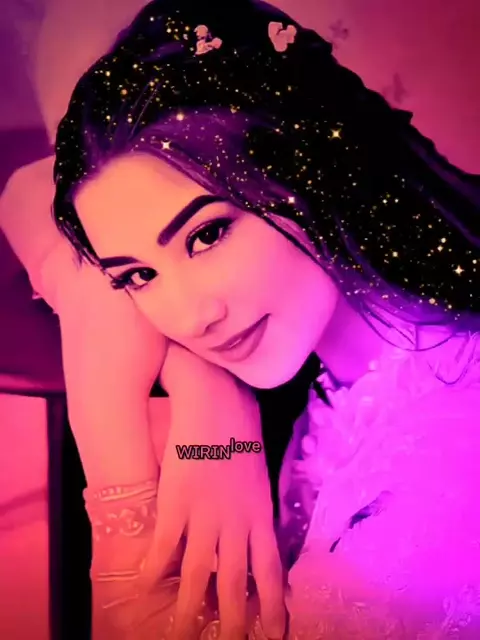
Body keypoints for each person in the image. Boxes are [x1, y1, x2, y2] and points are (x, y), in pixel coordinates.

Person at [47, 0, 480, 637]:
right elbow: (20, 194)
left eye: (206, 235)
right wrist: (210, 395)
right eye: (138, 276)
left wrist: (117, 476)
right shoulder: (364, 372)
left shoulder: (433, 483)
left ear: (307, 165)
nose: (189, 318)